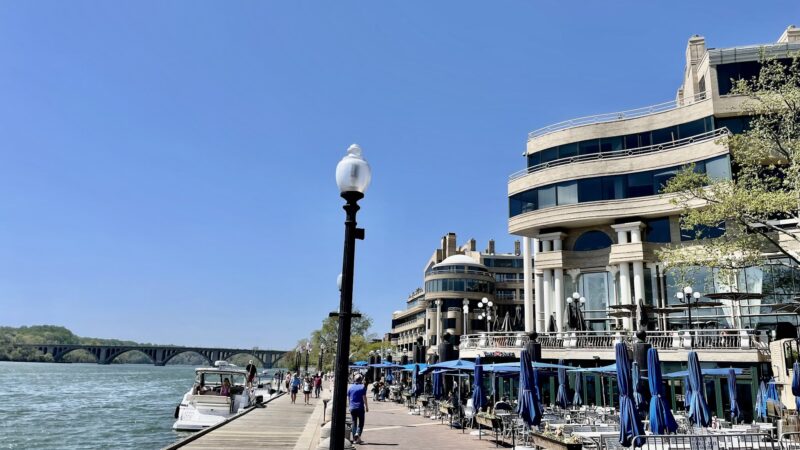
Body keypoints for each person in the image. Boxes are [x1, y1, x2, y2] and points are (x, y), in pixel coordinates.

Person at [347, 374, 369, 444]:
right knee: (361, 422)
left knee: (354, 422)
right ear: (361, 380)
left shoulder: (350, 387)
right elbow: (364, 398)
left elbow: (349, 398)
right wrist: (367, 407)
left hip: (352, 407)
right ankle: (358, 434)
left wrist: (349, 406)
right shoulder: (362, 387)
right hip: (360, 407)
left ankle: (355, 439)